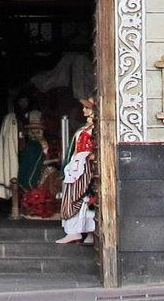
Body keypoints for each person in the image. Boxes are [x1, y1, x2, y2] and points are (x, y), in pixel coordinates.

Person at [57, 95, 97, 245]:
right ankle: (74, 231)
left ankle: (90, 232)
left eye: (87, 108)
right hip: (78, 166)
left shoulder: (96, 129)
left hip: (86, 168)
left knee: (86, 198)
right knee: (75, 196)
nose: (84, 110)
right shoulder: (85, 128)